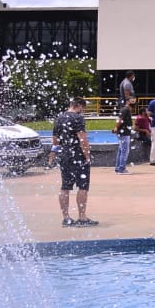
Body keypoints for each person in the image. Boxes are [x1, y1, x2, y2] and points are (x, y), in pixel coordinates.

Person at [54, 97, 97, 227]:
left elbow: (55, 139)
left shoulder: (59, 118)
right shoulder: (78, 118)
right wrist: (87, 156)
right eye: (82, 108)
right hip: (78, 156)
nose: (82, 111)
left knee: (65, 187)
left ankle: (66, 218)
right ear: (78, 105)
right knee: (82, 186)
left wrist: (56, 153)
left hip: (64, 155)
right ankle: (82, 217)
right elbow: (82, 139)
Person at [114, 96, 134, 174]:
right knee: (124, 151)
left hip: (124, 132)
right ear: (127, 101)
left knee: (121, 150)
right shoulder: (125, 110)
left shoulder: (126, 110)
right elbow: (119, 120)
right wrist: (116, 128)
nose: (133, 103)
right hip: (124, 133)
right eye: (132, 101)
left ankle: (118, 167)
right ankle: (121, 168)